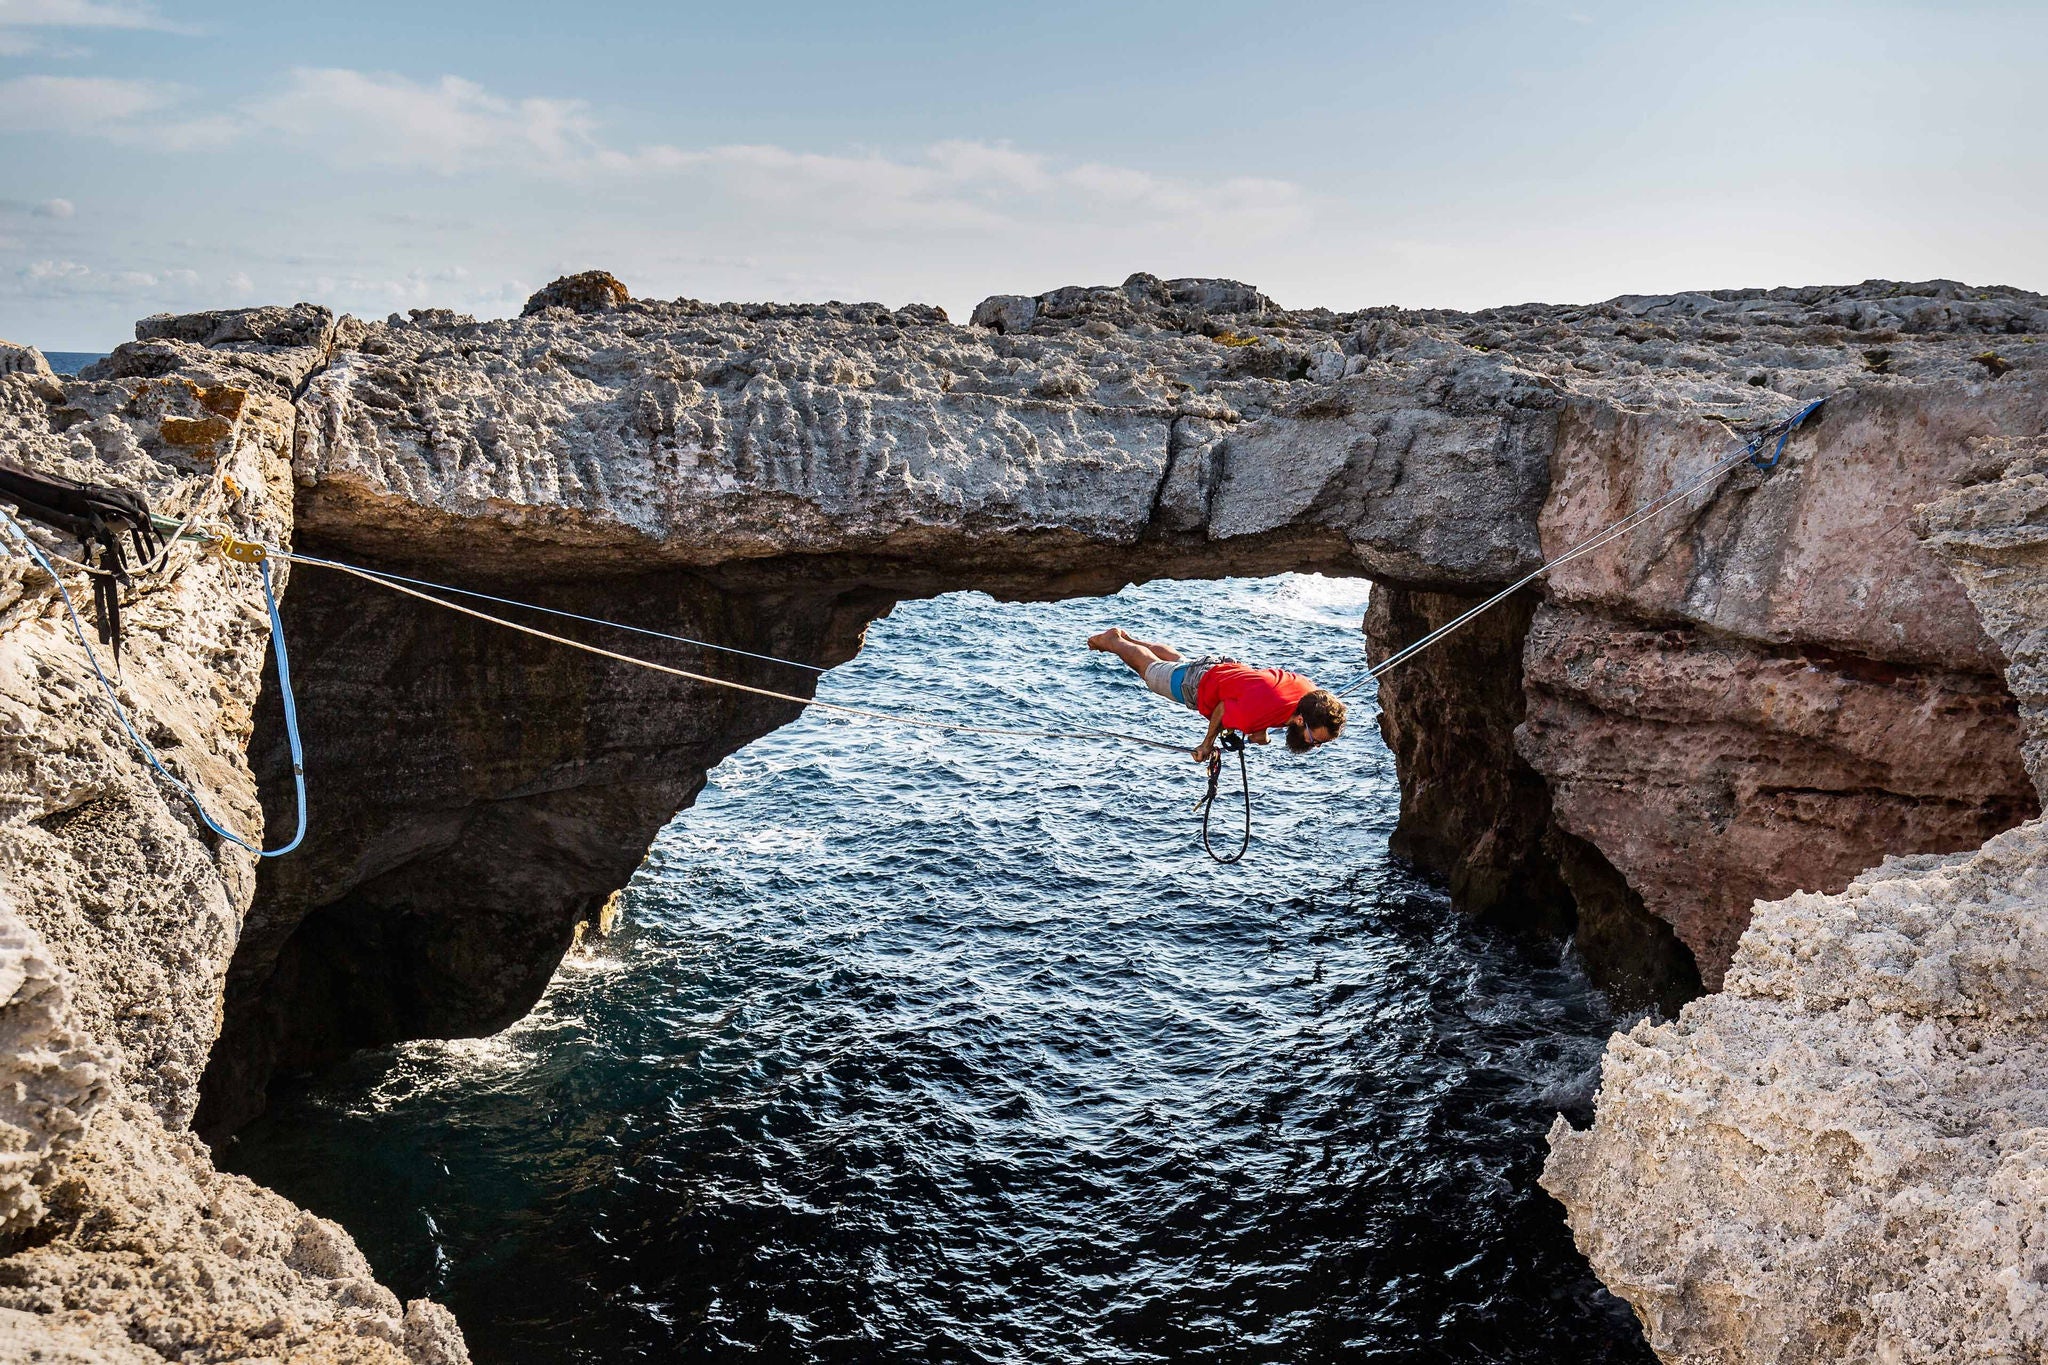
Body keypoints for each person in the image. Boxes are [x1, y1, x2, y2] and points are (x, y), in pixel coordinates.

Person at [1087, 627, 1347, 762]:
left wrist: (1261, 732)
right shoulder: (1255, 715)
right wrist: (1207, 745)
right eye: (1316, 740)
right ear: (1301, 720)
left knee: (1177, 661)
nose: (1315, 745)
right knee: (1151, 672)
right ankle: (1114, 641)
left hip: (1222, 667)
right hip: (1198, 685)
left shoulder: (1311, 694)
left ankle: (1130, 639)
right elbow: (1223, 710)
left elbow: (1272, 701)